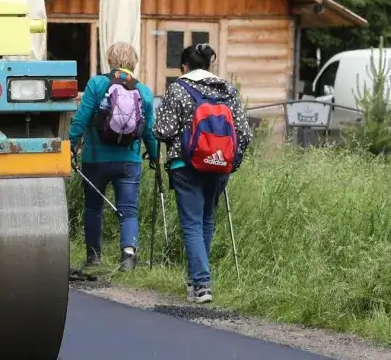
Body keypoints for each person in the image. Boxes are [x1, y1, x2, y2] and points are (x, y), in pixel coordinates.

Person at [153, 43, 253, 303]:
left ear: (184, 67)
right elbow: (244, 134)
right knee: (206, 221)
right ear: (209, 65)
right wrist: (230, 162)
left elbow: (162, 130)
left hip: (185, 166)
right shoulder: (227, 90)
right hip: (219, 167)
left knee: (192, 225)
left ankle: (201, 284)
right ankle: (196, 280)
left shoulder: (178, 88)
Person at [68, 42, 160, 271]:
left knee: (93, 208)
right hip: (129, 161)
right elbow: (149, 132)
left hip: (95, 159)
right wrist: (155, 156)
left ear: (109, 60)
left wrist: (69, 144)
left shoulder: (97, 84)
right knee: (128, 211)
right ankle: (128, 258)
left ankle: (93, 258)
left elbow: (82, 118)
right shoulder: (144, 91)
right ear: (134, 63)